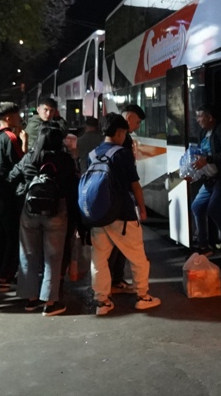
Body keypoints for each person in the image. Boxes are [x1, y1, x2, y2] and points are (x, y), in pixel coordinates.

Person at [89, 113, 160, 315]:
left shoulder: (93, 154)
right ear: (120, 132)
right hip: (122, 215)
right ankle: (142, 296)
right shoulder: (122, 154)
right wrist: (142, 208)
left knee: (99, 259)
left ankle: (101, 301)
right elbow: (134, 185)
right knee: (138, 258)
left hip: (99, 215)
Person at [11, 121, 78, 316]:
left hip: (29, 210)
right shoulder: (65, 159)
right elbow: (73, 183)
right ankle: (50, 302)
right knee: (53, 257)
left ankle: (31, 300)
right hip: (57, 210)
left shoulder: (30, 157)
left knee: (29, 255)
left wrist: (25, 184)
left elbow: (11, 176)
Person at [0, 102, 27, 293]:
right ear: (8, 118)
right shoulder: (10, 137)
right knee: (12, 236)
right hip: (10, 193)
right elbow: (21, 164)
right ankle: (6, 276)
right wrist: (24, 142)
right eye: (17, 115)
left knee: (0, 235)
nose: (20, 118)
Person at [107, 104, 147, 294]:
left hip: (105, 202)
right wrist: (141, 206)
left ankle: (108, 285)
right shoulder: (122, 144)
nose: (138, 126)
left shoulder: (101, 145)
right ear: (129, 118)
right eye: (137, 122)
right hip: (121, 201)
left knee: (105, 248)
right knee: (128, 246)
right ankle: (139, 292)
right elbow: (133, 181)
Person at [189, 104, 221, 256]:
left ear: (210, 117)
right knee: (197, 207)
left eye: (200, 116)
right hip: (208, 179)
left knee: (213, 209)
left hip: (220, 178)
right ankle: (203, 245)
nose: (198, 120)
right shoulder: (202, 133)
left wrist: (208, 159)